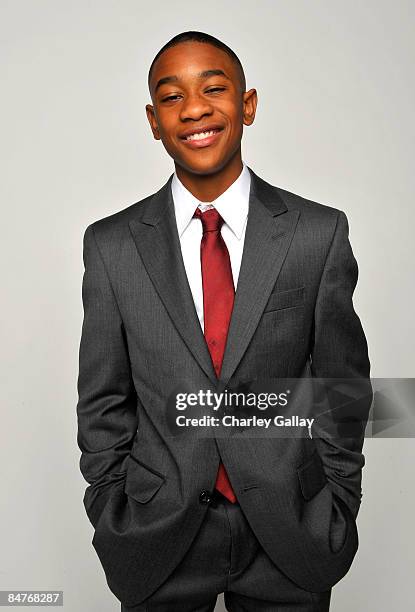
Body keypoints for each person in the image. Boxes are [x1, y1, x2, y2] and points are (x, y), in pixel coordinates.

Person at [76, 31, 372, 612]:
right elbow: (103, 400)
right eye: (171, 97)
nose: (194, 108)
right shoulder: (111, 246)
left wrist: (338, 497)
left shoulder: (318, 234)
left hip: (291, 530)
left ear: (248, 104)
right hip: (157, 533)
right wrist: (111, 506)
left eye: (214, 88)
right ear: (153, 121)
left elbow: (344, 390)